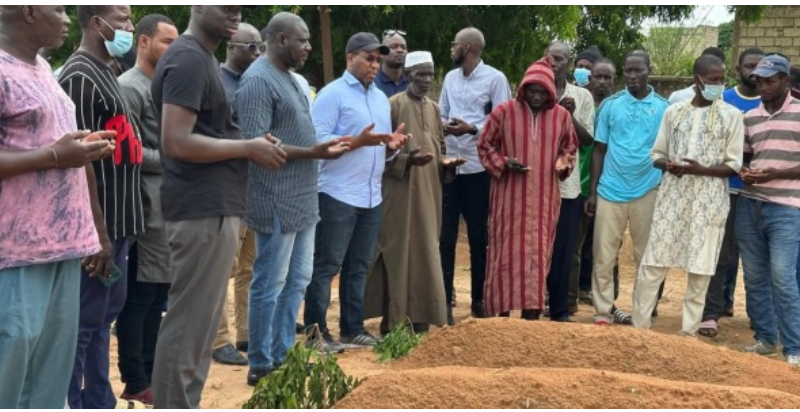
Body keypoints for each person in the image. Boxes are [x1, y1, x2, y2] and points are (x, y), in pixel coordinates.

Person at [149, 6, 287, 408]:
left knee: (200, 327)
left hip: (213, 208)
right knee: (189, 325)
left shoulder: (199, 56)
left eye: (239, 7)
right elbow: (176, 141)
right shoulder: (189, 57)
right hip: (200, 211)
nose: (234, 11)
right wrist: (247, 146)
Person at [0, 6, 116, 408]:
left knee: (49, 378)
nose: (68, 18)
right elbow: (51, 151)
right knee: (11, 366)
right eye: (61, 8)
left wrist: (79, 146)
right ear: (29, 10)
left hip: (64, 246)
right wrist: (54, 154)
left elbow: (59, 145)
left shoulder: (45, 70)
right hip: (15, 253)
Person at [237, 12, 351, 386]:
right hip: (275, 197)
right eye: (303, 41)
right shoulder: (257, 81)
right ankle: (260, 360)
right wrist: (316, 152)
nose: (308, 48)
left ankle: (283, 351)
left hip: (302, 197)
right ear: (281, 39)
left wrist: (317, 150)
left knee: (297, 279)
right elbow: (257, 144)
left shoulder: (288, 78)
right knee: (270, 280)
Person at [58, 5, 142, 409]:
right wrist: (98, 235)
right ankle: (73, 400)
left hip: (120, 224)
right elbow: (80, 167)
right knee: (83, 323)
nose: (129, 27)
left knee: (102, 319)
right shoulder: (78, 76)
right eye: (123, 20)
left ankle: (99, 398)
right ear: (97, 24)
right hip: (100, 230)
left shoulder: (107, 70)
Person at [303, 32, 408, 350]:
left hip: (371, 196)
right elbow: (316, 143)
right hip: (336, 193)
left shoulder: (379, 99)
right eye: (369, 58)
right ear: (351, 58)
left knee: (358, 266)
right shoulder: (332, 95)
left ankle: (352, 328)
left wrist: (389, 148)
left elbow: (376, 147)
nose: (375, 65)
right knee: (326, 266)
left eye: (378, 59)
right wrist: (358, 142)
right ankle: (315, 334)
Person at [632, 55, 744, 336]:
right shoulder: (675, 112)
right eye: (713, 80)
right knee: (653, 265)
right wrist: (668, 165)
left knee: (701, 270)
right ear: (697, 80)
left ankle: (688, 335)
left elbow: (734, 165)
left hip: (709, 203)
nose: (719, 85)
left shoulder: (732, 116)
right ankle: (639, 329)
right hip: (672, 199)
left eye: (722, 80)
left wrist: (700, 169)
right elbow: (656, 155)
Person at [365, 51, 465, 333]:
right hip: (399, 192)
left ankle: (421, 316)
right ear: (408, 75)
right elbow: (379, 151)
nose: (426, 80)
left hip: (430, 192)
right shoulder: (392, 105)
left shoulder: (433, 108)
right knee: (398, 252)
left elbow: (440, 147)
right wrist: (407, 161)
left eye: (430, 74)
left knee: (426, 251)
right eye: (420, 74)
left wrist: (447, 165)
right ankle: (394, 320)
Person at [478, 56, 578, 318]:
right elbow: (485, 144)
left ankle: (531, 315)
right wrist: (503, 162)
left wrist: (562, 164)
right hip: (508, 199)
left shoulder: (562, 117)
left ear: (550, 92)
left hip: (545, 201)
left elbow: (570, 149)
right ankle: (500, 314)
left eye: (541, 92)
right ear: (523, 90)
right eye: (532, 91)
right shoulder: (504, 111)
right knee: (505, 253)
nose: (536, 96)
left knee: (538, 254)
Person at [115, 14, 177, 406]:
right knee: (139, 298)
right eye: (167, 42)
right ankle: (135, 378)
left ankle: (151, 372)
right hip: (145, 209)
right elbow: (129, 153)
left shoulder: (165, 84)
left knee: (158, 298)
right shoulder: (129, 87)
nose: (174, 49)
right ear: (143, 42)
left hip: (170, 205)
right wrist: (180, 156)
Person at [586, 50, 669, 326]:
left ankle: (642, 314)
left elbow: (668, 154)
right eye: (628, 71)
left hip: (648, 189)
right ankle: (601, 311)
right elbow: (599, 150)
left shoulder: (664, 108)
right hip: (610, 190)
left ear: (649, 70)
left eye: (638, 70)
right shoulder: (611, 105)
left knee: (645, 257)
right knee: (603, 254)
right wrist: (593, 192)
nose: (632, 76)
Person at [439, 27, 512, 319]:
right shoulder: (449, 78)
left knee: (479, 236)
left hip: (479, 168)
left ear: (468, 47)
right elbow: (442, 112)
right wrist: (446, 126)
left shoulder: (495, 79)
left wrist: (472, 129)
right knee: (446, 237)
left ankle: (480, 300)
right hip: (450, 168)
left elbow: (503, 122)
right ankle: (443, 298)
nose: (451, 48)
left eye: (454, 43)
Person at [736, 54, 800, 367]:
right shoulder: (751, 117)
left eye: (770, 81)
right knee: (754, 276)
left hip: (787, 207)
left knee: (783, 277)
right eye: (759, 80)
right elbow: (746, 158)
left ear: (785, 81)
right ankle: (765, 339)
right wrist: (746, 171)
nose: (763, 86)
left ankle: (794, 347)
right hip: (750, 203)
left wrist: (776, 174)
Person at [698, 47, 764, 337]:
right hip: (727, 189)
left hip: (762, 194)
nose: (754, 72)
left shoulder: (770, 101)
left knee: (756, 257)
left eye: (759, 67)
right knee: (721, 254)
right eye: (749, 65)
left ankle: (759, 316)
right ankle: (711, 312)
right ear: (738, 69)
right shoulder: (723, 100)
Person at [212, 22, 262, 367]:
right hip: (225, 189)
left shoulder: (254, 83)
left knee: (250, 266)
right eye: (251, 47)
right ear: (231, 47)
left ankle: (246, 333)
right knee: (222, 270)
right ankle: (218, 340)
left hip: (254, 188)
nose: (258, 53)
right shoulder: (216, 83)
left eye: (261, 48)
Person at [544, 42, 595, 322]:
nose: (555, 63)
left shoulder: (582, 97)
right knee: (539, 246)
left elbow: (587, 140)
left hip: (568, 187)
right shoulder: (534, 90)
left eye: (561, 59)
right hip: (538, 185)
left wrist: (569, 115)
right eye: (551, 58)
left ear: (570, 62)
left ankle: (560, 307)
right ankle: (533, 302)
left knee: (565, 248)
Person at [569, 57, 616, 310]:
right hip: (581, 183)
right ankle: (572, 294)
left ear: (613, 81)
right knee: (576, 244)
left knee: (604, 246)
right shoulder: (581, 105)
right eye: (597, 76)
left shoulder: (616, 107)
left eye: (606, 77)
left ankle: (605, 298)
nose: (601, 82)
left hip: (611, 187)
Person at [375, 29, 408, 97]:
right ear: (381, 53)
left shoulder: (412, 82)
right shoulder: (372, 83)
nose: (400, 50)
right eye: (394, 47)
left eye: (403, 47)